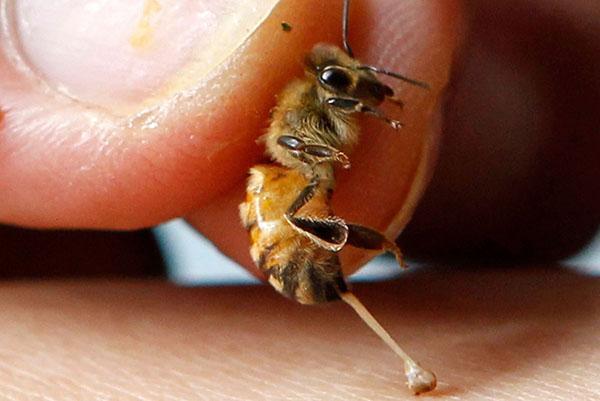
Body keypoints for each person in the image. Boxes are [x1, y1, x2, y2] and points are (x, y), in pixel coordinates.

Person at [0, 0, 598, 399]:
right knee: (325, 239)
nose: (359, 96)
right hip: (284, 206)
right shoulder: (303, 115)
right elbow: (290, 137)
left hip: (292, 201)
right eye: (347, 90)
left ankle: (371, 269)